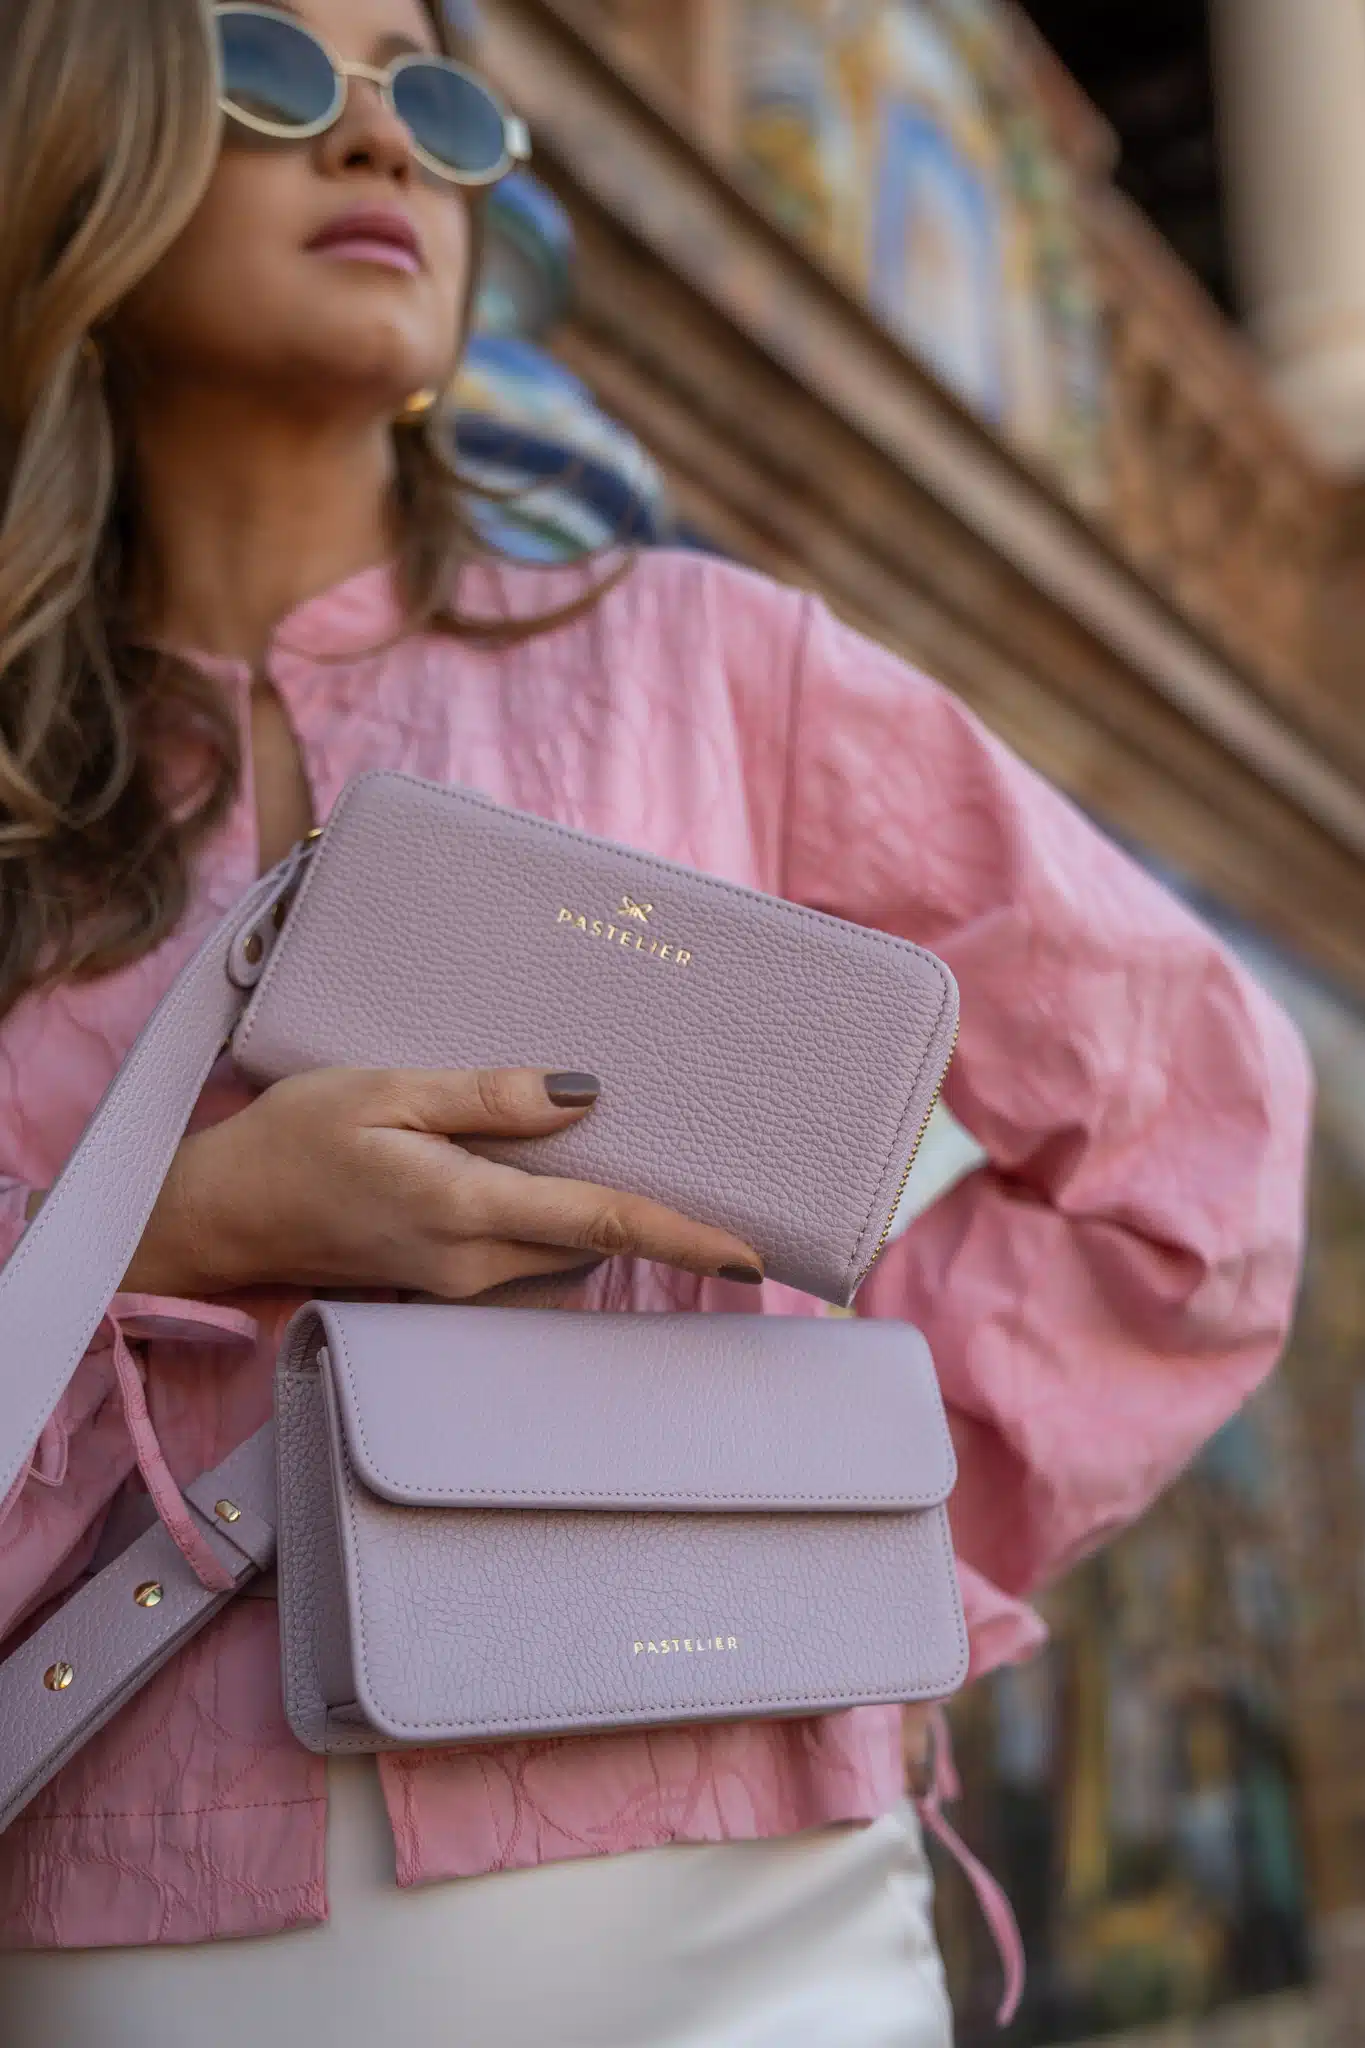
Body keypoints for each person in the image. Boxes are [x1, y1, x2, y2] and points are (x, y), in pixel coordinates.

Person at [0, 1, 1311, 2042]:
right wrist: (186, 1229)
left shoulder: (713, 667)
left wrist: (824, 1501)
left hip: (747, 1902)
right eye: (274, 66)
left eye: (432, 94)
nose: (380, 144)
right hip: (144, 1913)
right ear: (81, 133)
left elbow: (1198, 1133)